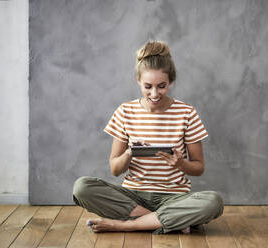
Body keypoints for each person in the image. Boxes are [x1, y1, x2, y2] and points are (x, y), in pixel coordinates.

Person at [72, 41, 223, 234]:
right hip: (133, 196)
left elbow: (198, 168)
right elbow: (114, 169)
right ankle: (168, 219)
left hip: (174, 196)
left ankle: (129, 224)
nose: (154, 93)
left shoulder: (187, 113)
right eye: (147, 86)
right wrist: (128, 154)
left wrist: (180, 164)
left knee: (213, 202)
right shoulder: (125, 112)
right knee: (82, 187)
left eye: (162, 86)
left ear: (171, 82)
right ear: (138, 81)